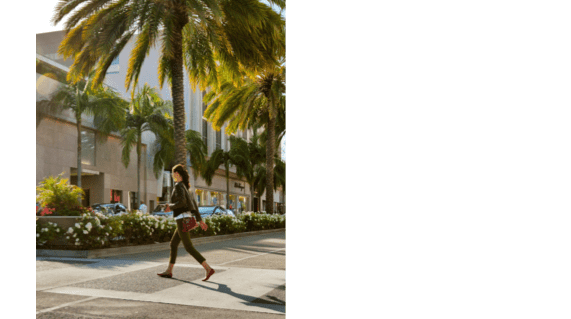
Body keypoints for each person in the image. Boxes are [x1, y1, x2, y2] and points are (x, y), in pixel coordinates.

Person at [157, 164, 215, 281]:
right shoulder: (185, 187)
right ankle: (169, 271)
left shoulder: (179, 186)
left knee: (188, 247)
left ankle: (208, 268)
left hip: (182, 219)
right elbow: (194, 206)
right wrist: (200, 220)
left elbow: (182, 203)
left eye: (173, 173)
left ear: (177, 174)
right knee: (173, 244)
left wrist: (170, 207)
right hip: (184, 218)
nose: (173, 176)